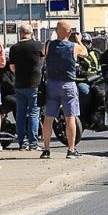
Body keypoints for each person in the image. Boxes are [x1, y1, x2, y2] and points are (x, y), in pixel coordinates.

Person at [40, 20, 88, 159]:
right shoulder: (73, 47)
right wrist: (79, 40)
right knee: (70, 118)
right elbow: (85, 53)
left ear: (56, 31)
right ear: (70, 32)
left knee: (48, 118)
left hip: (52, 84)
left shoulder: (48, 45)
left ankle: (46, 149)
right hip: (68, 85)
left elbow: (42, 56)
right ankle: (71, 149)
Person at [8, 25, 45, 150]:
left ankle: (21, 142)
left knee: (20, 114)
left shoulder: (14, 48)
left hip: (19, 84)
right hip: (34, 83)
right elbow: (42, 61)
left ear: (20, 33)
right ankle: (33, 143)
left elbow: (12, 68)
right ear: (32, 33)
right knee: (34, 113)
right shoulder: (37, 45)